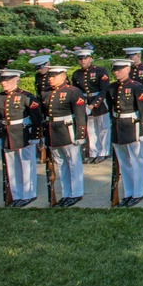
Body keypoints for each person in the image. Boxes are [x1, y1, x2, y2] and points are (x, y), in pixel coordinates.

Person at [0, 69, 43, 207]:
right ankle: (16, 195)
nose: (4, 83)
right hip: (7, 135)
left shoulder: (26, 97)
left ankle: (28, 193)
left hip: (23, 134)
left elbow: (37, 118)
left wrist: (36, 135)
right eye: (2, 80)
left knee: (26, 165)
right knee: (12, 167)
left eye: (7, 80)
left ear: (16, 79)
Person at [106, 59, 143, 207]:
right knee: (124, 162)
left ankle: (138, 192)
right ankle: (128, 192)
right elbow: (111, 106)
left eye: (119, 69)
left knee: (136, 160)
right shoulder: (111, 87)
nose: (116, 72)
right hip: (118, 126)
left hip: (132, 125)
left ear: (127, 69)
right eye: (114, 69)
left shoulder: (136, 87)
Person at [44, 65, 88, 207]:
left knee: (73, 162)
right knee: (61, 163)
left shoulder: (73, 92)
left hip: (68, 130)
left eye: (54, 76)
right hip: (53, 130)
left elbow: (80, 114)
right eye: (49, 76)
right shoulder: (45, 93)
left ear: (63, 76)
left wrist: (80, 134)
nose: (51, 79)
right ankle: (66, 193)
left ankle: (76, 192)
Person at [71, 48, 110, 165]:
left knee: (103, 128)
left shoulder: (100, 71)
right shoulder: (76, 74)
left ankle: (104, 152)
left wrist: (93, 104)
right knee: (91, 130)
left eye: (85, 58)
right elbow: (76, 91)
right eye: (80, 59)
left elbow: (104, 90)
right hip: (85, 103)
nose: (83, 61)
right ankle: (93, 152)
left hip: (99, 102)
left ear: (90, 59)